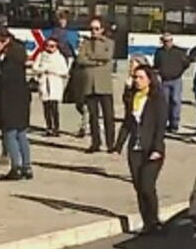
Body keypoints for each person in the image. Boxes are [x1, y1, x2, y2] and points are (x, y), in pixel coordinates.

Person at [115, 64, 167, 234]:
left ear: (149, 79)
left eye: (141, 77)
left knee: (147, 185)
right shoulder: (132, 97)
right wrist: (118, 145)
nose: (137, 81)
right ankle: (147, 223)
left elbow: (160, 126)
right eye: (135, 77)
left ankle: (154, 219)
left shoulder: (157, 99)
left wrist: (157, 148)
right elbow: (127, 122)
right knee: (138, 186)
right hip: (134, 148)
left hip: (152, 148)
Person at [0, 32, 32, 180]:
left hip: (9, 99)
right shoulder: (19, 58)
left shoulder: (7, 63)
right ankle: (27, 166)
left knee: (10, 133)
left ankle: (16, 167)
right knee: (21, 133)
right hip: (22, 98)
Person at [77, 17, 116, 153]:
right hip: (89, 85)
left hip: (104, 85)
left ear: (102, 30)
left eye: (96, 28)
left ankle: (111, 144)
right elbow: (80, 59)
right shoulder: (85, 43)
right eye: (92, 28)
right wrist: (96, 62)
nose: (93, 31)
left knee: (108, 116)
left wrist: (90, 57)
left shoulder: (109, 43)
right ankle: (95, 143)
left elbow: (107, 57)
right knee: (93, 116)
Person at [32, 36, 69, 136]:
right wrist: (42, 70)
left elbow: (65, 71)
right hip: (44, 82)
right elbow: (35, 67)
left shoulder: (60, 57)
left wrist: (54, 71)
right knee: (46, 107)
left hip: (55, 83)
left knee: (54, 107)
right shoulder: (41, 56)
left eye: (52, 46)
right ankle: (49, 127)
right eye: (47, 46)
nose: (49, 48)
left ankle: (56, 128)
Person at [153, 33, 188, 133]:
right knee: (165, 103)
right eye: (165, 41)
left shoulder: (178, 52)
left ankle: (174, 124)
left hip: (176, 80)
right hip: (164, 81)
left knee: (176, 101)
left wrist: (179, 71)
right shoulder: (159, 52)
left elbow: (186, 63)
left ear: (172, 41)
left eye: (169, 41)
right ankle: (165, 123)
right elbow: (156, 65)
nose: (167, 43)